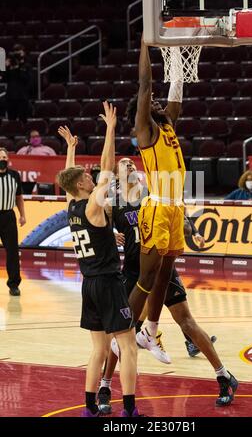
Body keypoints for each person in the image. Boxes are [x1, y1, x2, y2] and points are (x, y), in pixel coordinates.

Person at [126, 37, 238, 407]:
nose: (158, 104)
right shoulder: (146, 129)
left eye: (158, 105)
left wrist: (174, 58)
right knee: (147, 276)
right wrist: (146, 44)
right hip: (157, 207)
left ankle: (152, 329)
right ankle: (125, 329)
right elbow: (146, 86)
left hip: (176, 207)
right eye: (152, 104)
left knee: (166, 270)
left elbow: (176, 98)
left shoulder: (168, 124)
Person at [97, 158, 232, 414]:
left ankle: (223, 377)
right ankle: (105, 386)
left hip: (163, 269)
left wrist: (191, 231)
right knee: (121, 333)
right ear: (115, 174)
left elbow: (178, 217)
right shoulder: (111, 203)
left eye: (131, 163)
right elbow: (96, 226)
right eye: (124, 164)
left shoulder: (154, 195)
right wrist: (109, 233)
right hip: (134, 272)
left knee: (187, 322)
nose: (130, 165)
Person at [56, 104, 143, 418]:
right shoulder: (93, 205)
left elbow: (69, 177)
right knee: (129, 346)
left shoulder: (71, 204)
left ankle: (90, 408)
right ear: (80, 185)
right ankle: (130, 411)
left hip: (88, 285)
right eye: (86, 176)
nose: (91, 177)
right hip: (108, 282)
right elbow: (107, 168)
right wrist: (110, 128)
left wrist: (70, 150)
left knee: (99, 349)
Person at [0, 147, 26, 296]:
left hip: (8, 217)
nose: (2, 160)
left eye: (4, 157)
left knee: (12, 252)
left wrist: (22, 215)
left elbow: (19, 197)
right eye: (0, 157)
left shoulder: (14, 175)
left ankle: (14, 284)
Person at [0, 44, 33, 122]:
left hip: (22, 97)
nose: (17, 55)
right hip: (10, 97)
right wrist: (6, 67)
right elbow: (3, 79)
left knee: (23, 120)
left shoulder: (27, 65)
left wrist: (18, 67)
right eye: (16, 53)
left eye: (19, 53)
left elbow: (27, 80)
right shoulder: (10, 65)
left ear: (23, 53)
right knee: (11, 121)